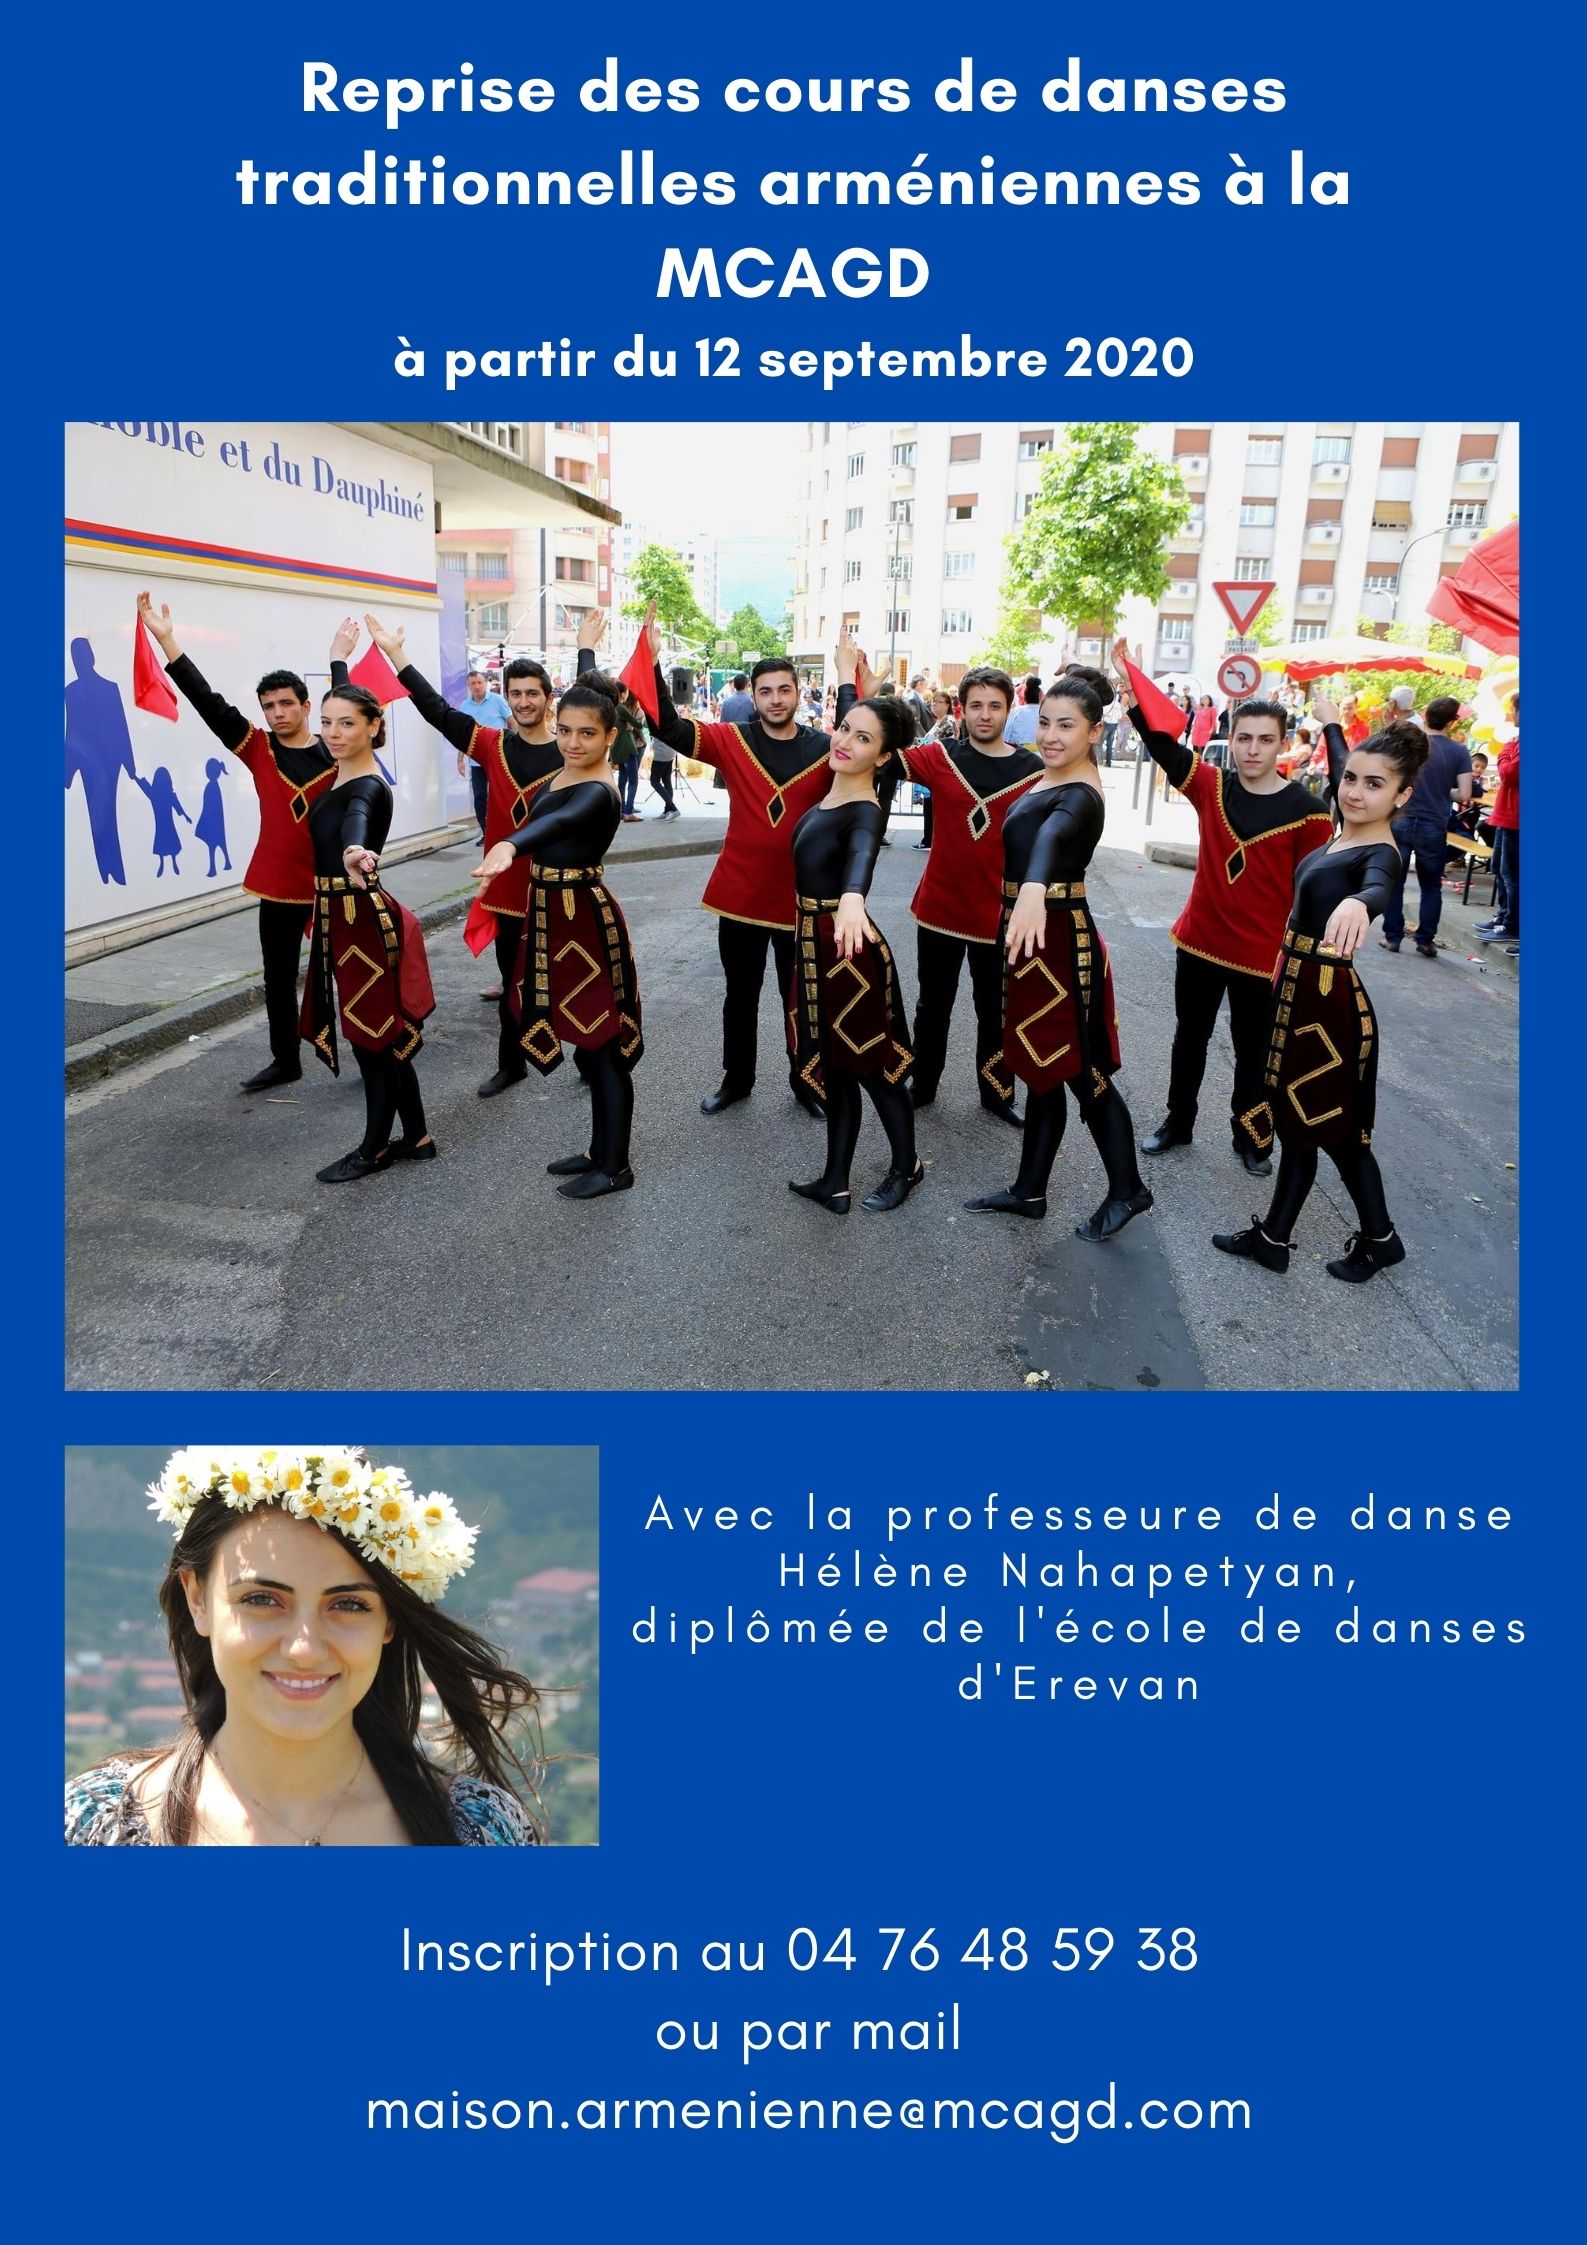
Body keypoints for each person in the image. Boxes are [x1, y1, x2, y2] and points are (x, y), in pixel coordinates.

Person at [65, 1447, 540, 1846]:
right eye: (261, 1599)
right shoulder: (89, 1829)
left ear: (389, 1621)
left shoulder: (483, 1833)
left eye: (349, 1605)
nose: (304, 1648)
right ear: (197, 1600)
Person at [1213, 712, 1424, 1282]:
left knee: (1336, 1132)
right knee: (1299, 1123)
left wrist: (1362, 904)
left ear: (1403, 795)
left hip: (1327, 1009)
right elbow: (1342, 766)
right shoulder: (1347, 821)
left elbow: (1381, 887)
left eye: (1374, 784)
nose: (1354, 791)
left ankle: (1379, 1239)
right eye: (1350, 779)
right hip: (1298, 995)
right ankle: (1275, 1238)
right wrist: (1333, 726)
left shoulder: (1379, 853)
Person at [1116, 645, 1333, 1179]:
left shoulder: (1309, 813)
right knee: (1189, 1037)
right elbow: (1163, 745)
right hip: (1200, 941)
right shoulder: (1210, 786)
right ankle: (1177, 1122)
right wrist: (1134, 686)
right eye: (1243, 738)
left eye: (1265, 740)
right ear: (1229, 740)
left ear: (1284, 744)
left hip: (1263, 955)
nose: (1252, 750)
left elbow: (1318, 891)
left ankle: (1251, 1135)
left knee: (1253, 1051)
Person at [137, 593, 353, 1092]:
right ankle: (285, 1060)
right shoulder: (256, 747)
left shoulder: (339, 750)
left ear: (306, 706)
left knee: (352, 974)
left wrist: (337, 661)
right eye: (269, 706)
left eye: (286, 704)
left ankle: (374, 1052)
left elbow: (356, 709)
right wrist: (167, 640)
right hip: (278, 883)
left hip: (334, 881)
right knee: (277, 978)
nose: (277, 713)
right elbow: (206, 701)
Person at [965, 678, 1152, 1239]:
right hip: (1030, 935)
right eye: (1044, 722)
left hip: (1059, 939)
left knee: (1083, 1070)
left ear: (1096, 733)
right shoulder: (1048, 776)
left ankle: (1128, 1189)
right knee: (1038, 1066)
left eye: (1066, 725)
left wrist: (1030, 889)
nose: (1049, 735)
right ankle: (1030, 1190)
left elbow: (1053, 837)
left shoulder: (1080, 793)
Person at [362, 613, 564, 1098]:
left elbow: (597, 711)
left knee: (569, 976)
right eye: (515, 693)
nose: (523, 701)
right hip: (508, 892)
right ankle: (511, 1063)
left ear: (547, 697)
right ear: (506, 697)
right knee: (510, 983)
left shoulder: (570, 753)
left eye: (532, 692)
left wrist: (584, 651)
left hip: (557, 887)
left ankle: (589, 1050)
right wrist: (398, 656)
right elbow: (435, 710)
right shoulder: (490, 745)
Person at [644, 621, 831, 1117]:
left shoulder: (826, 748)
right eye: (765, 691)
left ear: (798, 693)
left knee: (803, 997)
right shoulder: (730, 739)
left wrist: (853, 681)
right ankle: (737, 1079)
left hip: (800, 897)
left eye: (784, 690)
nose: (774, 699)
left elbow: (871, 746)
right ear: (754, 697)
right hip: (741, 895)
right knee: (739, 995)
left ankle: (806, 1081)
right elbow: (666, 726)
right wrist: (653, 660)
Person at [475, 680, 643, 1199]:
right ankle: (599, 1150)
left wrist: (509, 842)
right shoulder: (563, 774)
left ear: (610, 736)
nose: (573, 742)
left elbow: (563, 822)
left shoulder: (598, 791)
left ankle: (615, 1166)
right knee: (587, 1048)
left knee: (603, 1045)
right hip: (550, 914)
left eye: (587, 733)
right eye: (565, 730)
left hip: (582, 919)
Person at [873, 655, 1041, 1127]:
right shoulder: (938, 756)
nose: (985, 714)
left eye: (994, 705)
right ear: (960, 710)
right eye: (975, 705)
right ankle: (923, 1085)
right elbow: (877, 749)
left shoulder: (1034, 770)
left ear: (1009, 709)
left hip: (999, 914)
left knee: (995, 1009)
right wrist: (864, 691)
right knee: (934, 1003)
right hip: (940, 909)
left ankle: (996, 1092)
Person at [786, 695, 921, 1215]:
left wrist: (852, 896)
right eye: (844, 728)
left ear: (884, 757)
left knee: (873, 1069)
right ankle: (835, 1181)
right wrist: (848, 679)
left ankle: (907, 1166)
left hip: (847, 949)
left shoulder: (865, 809)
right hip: (816, 943)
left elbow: (864, 849)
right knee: (838, 1069)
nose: (843, 741)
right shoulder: (830, 795)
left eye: (863, 739)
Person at [299, 681, 435, 1183]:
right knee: (380, 1034)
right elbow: (345, 706)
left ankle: (374, 1149)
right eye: (328, 722)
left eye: (347, 723)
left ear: (374, 727)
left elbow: (356, 823)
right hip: (346, 918)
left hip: (360, 919)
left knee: (372, 1040)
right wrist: (339, 660)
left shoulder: (367, 787)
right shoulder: (340, 775)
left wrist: (355, 851)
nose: (333, 733)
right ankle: (416, 1136)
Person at [1379, 694, 1472, 957]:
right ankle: (1424, 940)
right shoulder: (1459, 751)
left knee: (1394, 881)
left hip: (1402, 819)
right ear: (1451, 722)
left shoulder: (1411, 746)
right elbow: (1464, 793)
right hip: (1434, 823)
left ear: (1426, 715)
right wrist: (1445, 792)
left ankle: (1392, 937)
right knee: (1431, 885)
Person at [1477, 692, 1519, 956]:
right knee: (1500, 868)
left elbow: (1509, 772)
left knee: (1512, 874)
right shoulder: (1517, 740)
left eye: (1513, 710)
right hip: (1506, 813)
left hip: (1517, 818)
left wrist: (1504, 754)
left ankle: (1512, 923)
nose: (1510, 715)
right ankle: (1503, 915)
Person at [453, 668, 513, 837]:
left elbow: (511, 722)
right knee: (480, 797)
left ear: (485, 683)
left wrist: (516, 746)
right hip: (476, 760)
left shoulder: (498, 701)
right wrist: (460, 760)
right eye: (473, 683)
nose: (477, 686)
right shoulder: (465, 706)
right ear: (468, 686)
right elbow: (462, 735)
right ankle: (487, 833)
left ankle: (504, 832)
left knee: (499, 796)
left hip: (498, 757)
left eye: (480, 682)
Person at [1003, 674, 1044, 746]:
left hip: (1018, 749)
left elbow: (1007, 733)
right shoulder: (1044, 712)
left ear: (1025, 696)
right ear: (1040, 696)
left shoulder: (1017, 711)